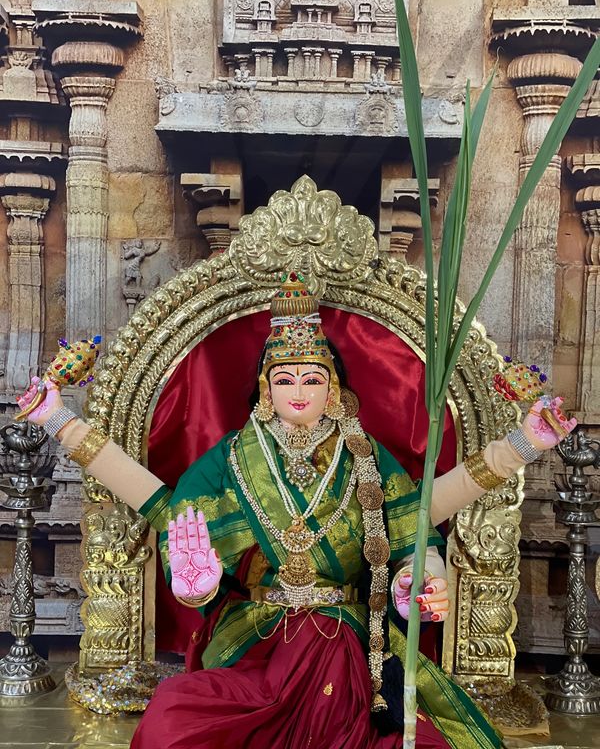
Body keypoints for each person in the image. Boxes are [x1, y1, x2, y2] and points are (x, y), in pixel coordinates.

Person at [18, 272, 575, 749]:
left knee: (378, 712)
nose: (299, 392)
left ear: (334, 389)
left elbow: (416, 525)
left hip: (346, 637)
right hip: (256, 637)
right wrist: (195, 587)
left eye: (313, 379)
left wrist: (419, 579)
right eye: (285, 380)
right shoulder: (232, 459)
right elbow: (167, 511)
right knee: (169, 719)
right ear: (266, 390)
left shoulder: (364, 455)